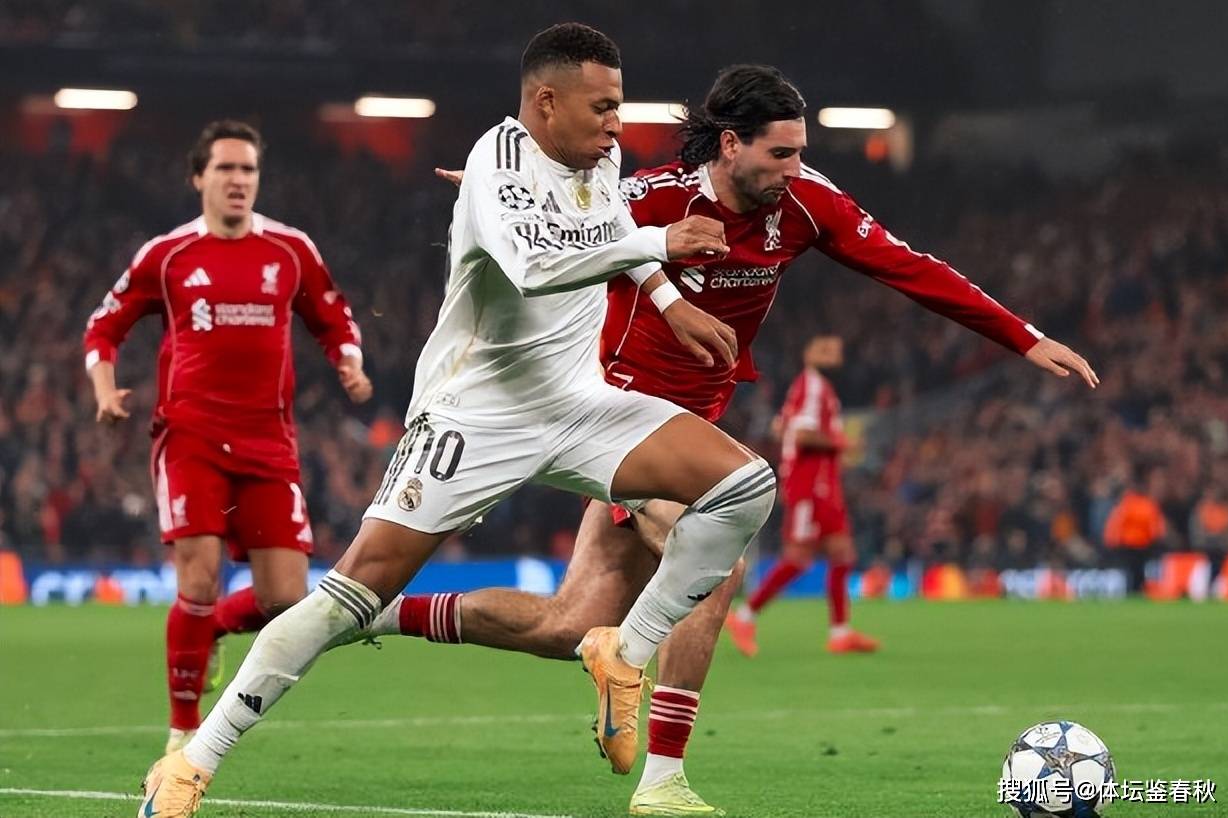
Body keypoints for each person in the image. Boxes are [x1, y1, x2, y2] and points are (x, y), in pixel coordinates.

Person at [382, 64, 1097, 815]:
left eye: (801, 152)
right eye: (781, 153)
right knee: (717, 554)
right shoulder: (655, 197)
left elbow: (910, 269)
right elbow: (565, 219)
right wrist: (493, 188)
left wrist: (1023, 337)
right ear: (731, 145)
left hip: (691, 433)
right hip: (615, 421)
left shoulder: (808, 204)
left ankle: (380, 612)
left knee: (566, 625)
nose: (796, 168)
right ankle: (663, 780)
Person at [136, 23, 777, 817]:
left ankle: (625, 649)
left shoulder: (601, 160)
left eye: (619, 105)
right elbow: (535, 266)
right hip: (475, 417)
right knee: (347, 597)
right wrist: (662, 241)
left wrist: (670, 302)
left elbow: (613, 234)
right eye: (602, 107)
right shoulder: (498, 160)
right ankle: (190, 764)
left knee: (744, 486)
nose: (617, 123)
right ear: (547, 102)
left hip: (579, 404)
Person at [83, 119, 371, 755]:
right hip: (191, 436)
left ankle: (210, 627)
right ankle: (182, 736)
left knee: (287, 600)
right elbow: (103, 327)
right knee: (198, 578)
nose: (239, 180)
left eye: (248, 170)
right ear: (199, 178)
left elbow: (333, 316)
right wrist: (105, 390)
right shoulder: (168, 255)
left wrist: (348, 360)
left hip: (269, 441)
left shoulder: (290, 250)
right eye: (226, 169)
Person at [725, 335, 879, 657]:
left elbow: (783, 427)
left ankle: (840, 633)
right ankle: (744, 616)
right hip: (810, 486)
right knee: (798, 557)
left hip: (824, 485)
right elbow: (804, 435)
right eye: (825, 349)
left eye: (836, 350)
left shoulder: (816, 388)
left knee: (842, 553)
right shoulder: (812, 386)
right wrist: (843, 443)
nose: (834, 355)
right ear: (808, 354)